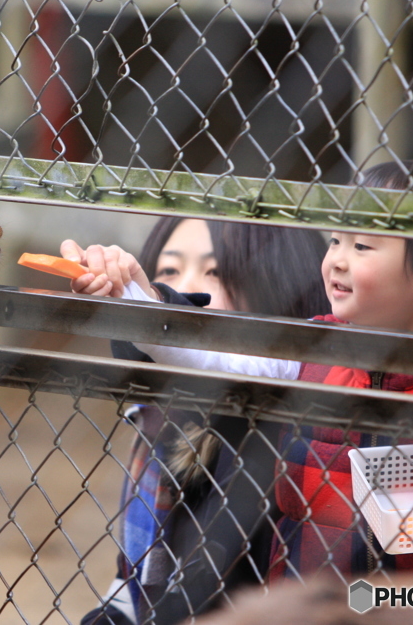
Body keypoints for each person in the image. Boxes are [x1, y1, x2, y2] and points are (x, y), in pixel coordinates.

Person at [70, 161, 413, 606]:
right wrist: (135, 301)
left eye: (362, 246)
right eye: (335, 240)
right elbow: (214, 358)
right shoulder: (309, 348)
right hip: (309, 602)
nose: (337, 261)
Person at [71, 217, 330, 624]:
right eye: (170, 271)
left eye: (215, 271)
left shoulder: (290, 442)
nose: (190, 286)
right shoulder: (159, 419)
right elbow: (133, 584)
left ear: (280, 285)